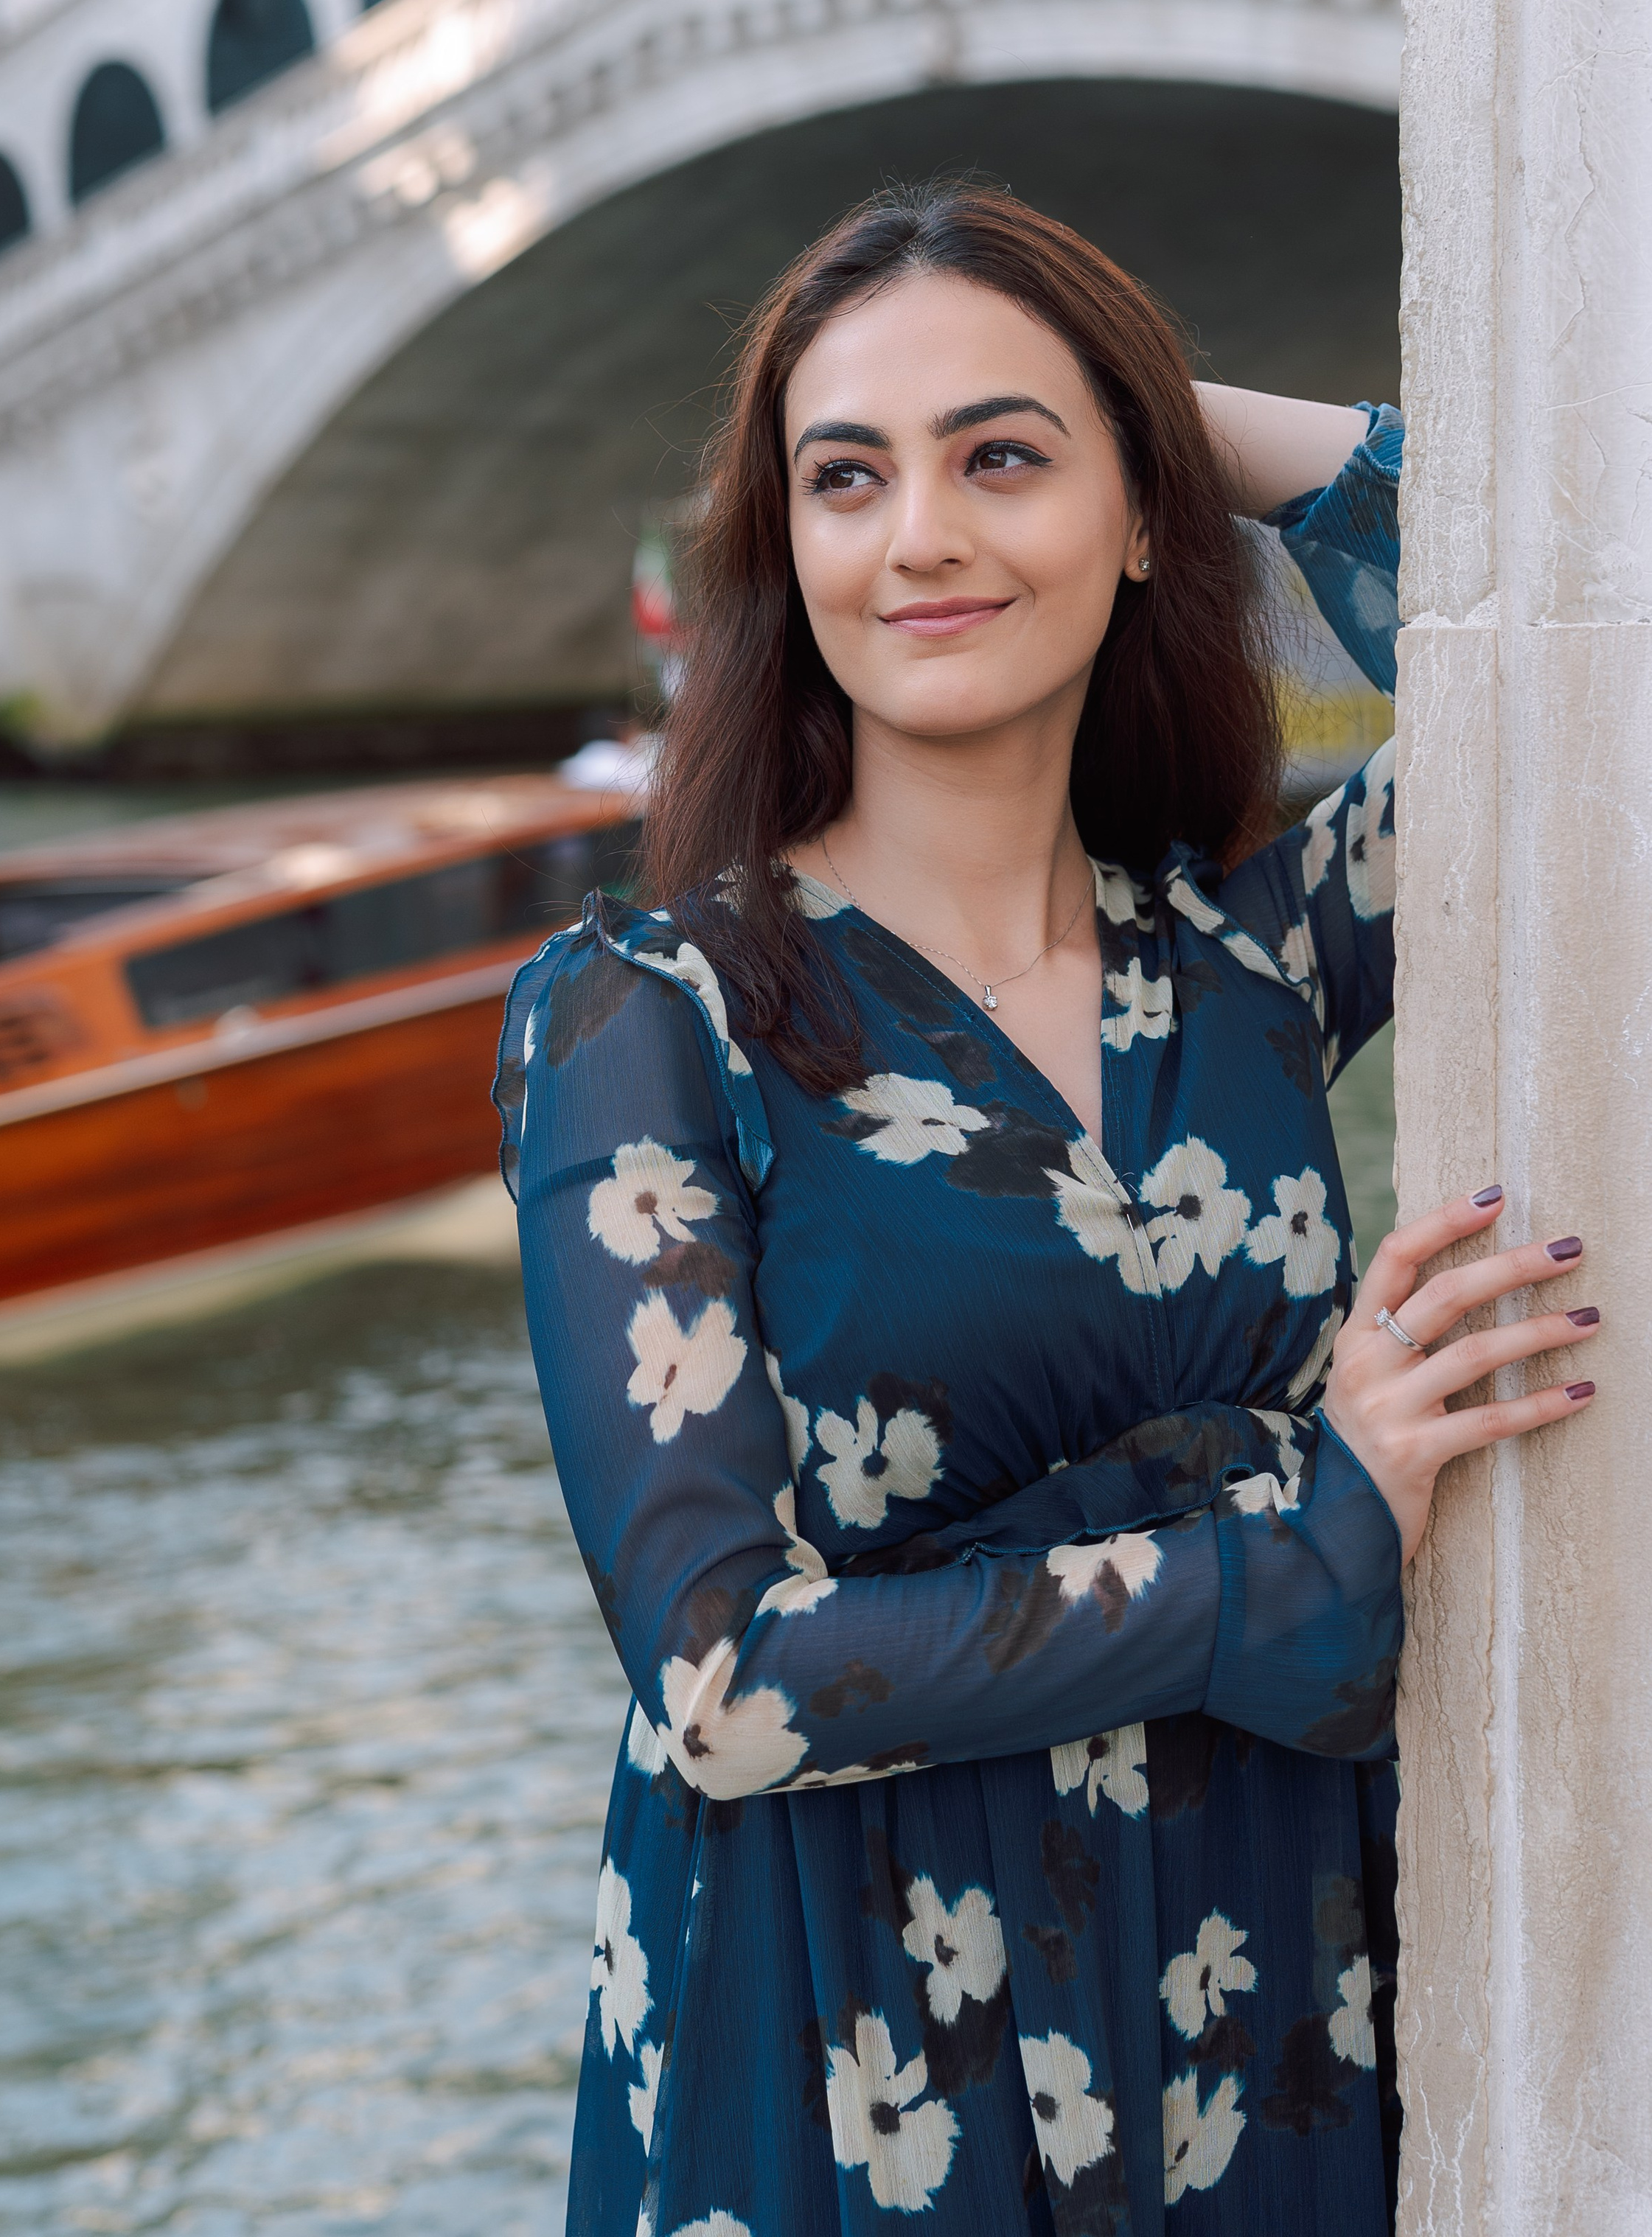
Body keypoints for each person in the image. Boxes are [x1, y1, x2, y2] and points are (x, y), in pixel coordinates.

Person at [492, 186, 1598, 2237]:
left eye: (1002, 456)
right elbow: (726, 1679)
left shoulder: (1253, 964)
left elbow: (1595, 667)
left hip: (1265, 1993)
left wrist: (1194, 421)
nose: (918, 535)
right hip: (857, 2047)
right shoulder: (654, 1021)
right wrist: (1301, 1548)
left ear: (1147, 512)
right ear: (789, 547)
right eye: (849, 477)